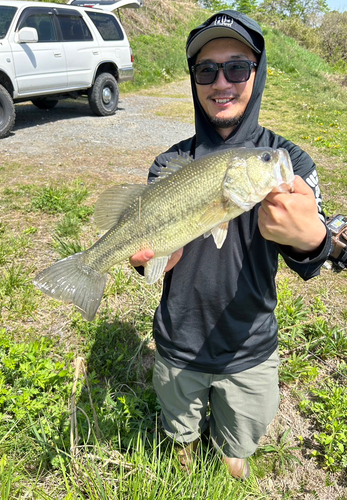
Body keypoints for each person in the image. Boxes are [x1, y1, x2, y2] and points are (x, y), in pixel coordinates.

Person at [130, 10, 332, 480]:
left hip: (250, 346)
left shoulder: (288, 158)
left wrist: (314, 240)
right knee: (180, 439)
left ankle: (228, 467)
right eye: (207, 70)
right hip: (178, 341)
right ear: (195, 81)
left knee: (235, 454)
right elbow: (151, 261)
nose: (221, 82)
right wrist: (148, 261)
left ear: (256, 75)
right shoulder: (170, 163)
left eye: (236, 67)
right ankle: (183, 458)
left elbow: (312, 255)